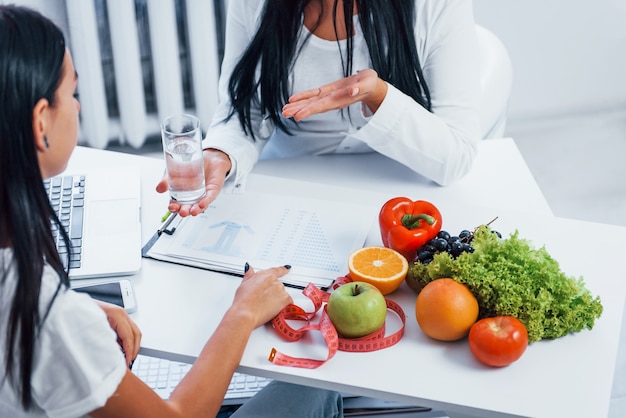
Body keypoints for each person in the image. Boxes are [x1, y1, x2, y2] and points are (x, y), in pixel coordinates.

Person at [0, 5, 343, 418]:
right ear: (40, 123)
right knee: (314, 391)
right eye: (71, 93)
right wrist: (242, 313)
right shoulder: (46, 317)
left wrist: (78, 309)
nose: (77, 108)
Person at [157, 0, 482, 217]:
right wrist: (220, 152)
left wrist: (378, 96)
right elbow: (245, 109)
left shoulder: (438, 6)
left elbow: (456, 156)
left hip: (397, 189)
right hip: (291, 184)